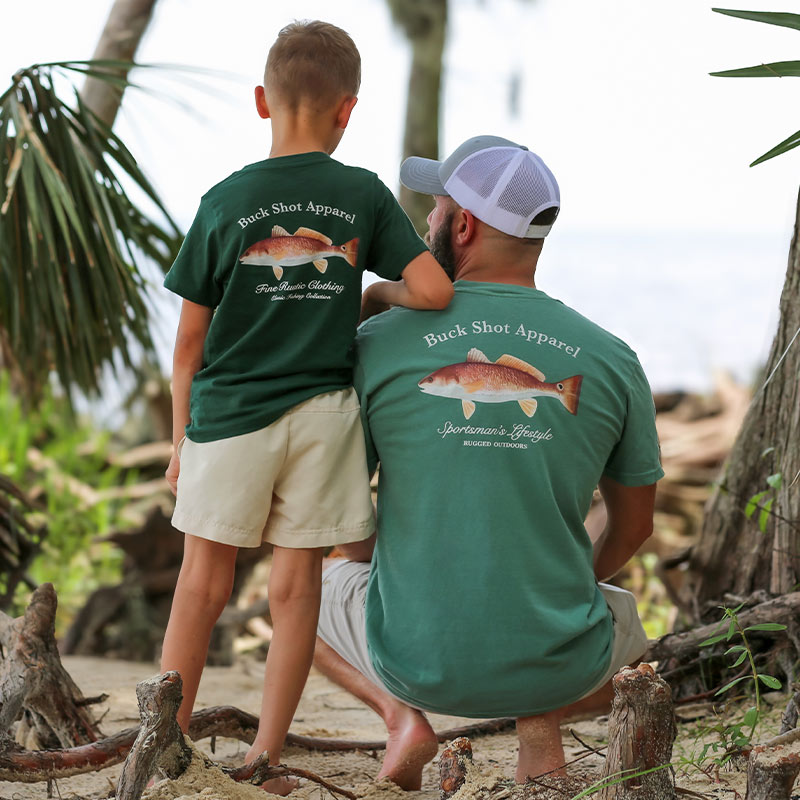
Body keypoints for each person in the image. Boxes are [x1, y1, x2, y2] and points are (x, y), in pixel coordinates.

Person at [314, 135, 664, 789]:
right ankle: (542, 739)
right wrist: (551, 581)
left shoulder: (377, 343)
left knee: (302, 587)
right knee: (613, 607)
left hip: (411, 659)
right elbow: (634, 528)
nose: (425, 224)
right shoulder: (613, 357)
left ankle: (402, 719)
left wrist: (369, 302)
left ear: (464, 225)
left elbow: (346, 531)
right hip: (561, 661)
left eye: (434, 211)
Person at [160, 20, 453, 794]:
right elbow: (435, 293)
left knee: (202, 584)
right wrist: (371, 290)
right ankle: (265, 754)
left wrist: (179, 438)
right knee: (297, 591)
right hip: (324, 417)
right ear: (347, 111)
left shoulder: (224, 201)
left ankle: (167, 742)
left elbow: (188, 345)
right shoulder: (358, 194)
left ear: (263, 101)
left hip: (228, 416)